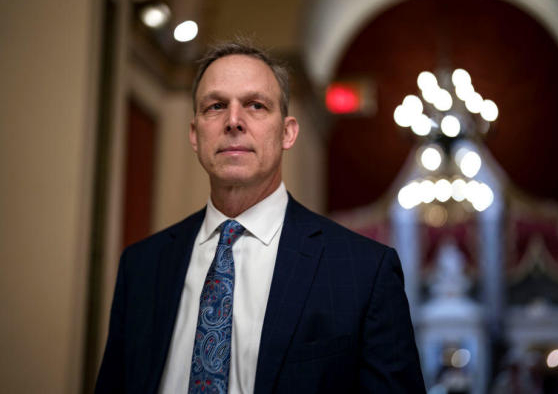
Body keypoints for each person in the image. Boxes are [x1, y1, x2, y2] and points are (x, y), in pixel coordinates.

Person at [95, 41, 426, 394]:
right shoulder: (142, 265)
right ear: (195, 135)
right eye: (216, 106)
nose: (233, 121)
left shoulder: (364, 271)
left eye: (255, 105)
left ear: (288, 132)